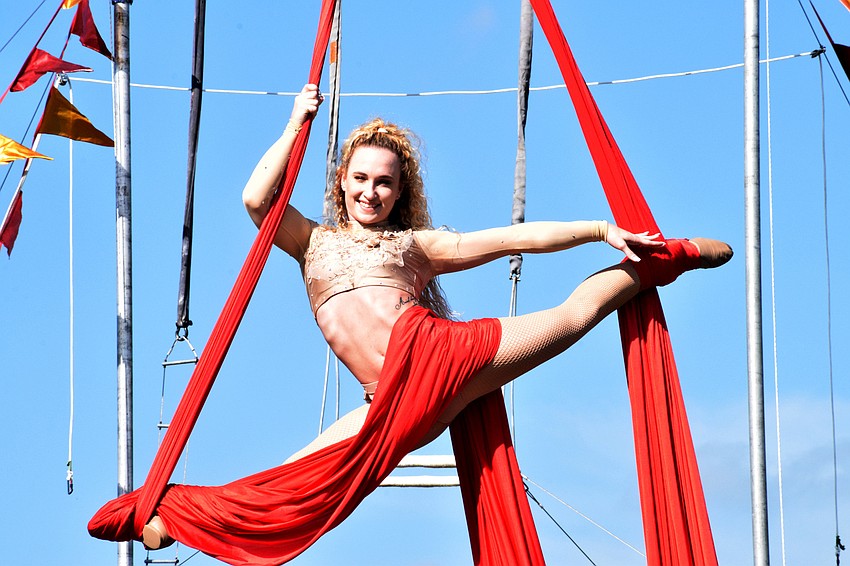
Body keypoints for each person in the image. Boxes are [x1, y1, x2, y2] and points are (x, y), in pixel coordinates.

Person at [141, 83, 732, 549]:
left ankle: (670, 257)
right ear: (341, 182)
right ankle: (173, 520)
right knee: (301, 471)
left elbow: (510, 238)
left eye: (385, 184)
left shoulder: (415, 247)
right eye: (361, 180)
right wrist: (297, 124)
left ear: (401, 193)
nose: (371, 193)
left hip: (439, 358)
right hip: (385, 399)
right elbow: (256, 199)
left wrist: (599, 228)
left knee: (574, 316)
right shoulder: (309, 241)